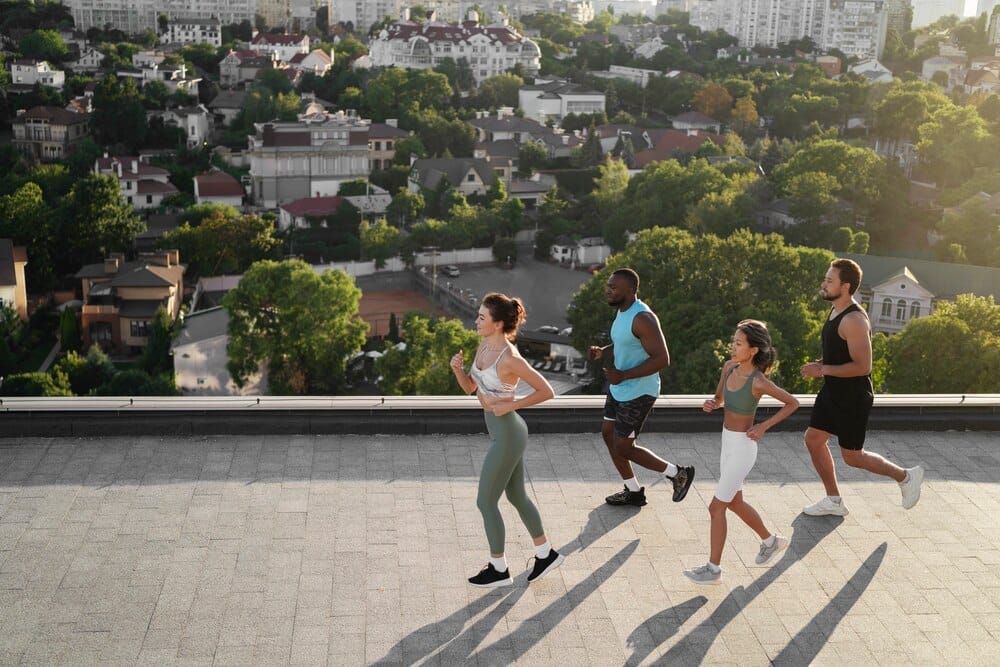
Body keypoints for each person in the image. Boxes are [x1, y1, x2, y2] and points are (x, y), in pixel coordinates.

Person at [450, 292, 564, 587]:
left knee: (485, 502)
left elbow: (547, 390)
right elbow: (470, 388)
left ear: (498, 324)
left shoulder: (511, 359)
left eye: (481, 317)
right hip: (502, 432)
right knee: (515, 496)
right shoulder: (485, 345)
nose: (476, 321)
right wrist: (458, 371)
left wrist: (510, 404)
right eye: (478, 316)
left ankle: (498, 569)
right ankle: (545, 553)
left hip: (509, 435)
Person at [800, 258, 924, 516]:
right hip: (833, 390)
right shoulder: (835, 309)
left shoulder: (854, 319)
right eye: (825, 278)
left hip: (853, 397)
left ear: (845, 286)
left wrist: (821, 370)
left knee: (852, 457)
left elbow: (862, 367)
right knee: (813, 439)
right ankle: (834, 501)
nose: (824, 284)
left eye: (829, 281)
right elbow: (841, 353)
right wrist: (822, 364)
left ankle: (906, 477)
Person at [684, 320, 800, 585]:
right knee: (734, 502)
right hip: (727, 442)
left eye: (738, 344)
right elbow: (720, 399)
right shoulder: (729, 367)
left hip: (744, 448)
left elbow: (792, 403)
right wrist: (712, 404)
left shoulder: (758, 382)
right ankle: (771, 541)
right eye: (733, 342)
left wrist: (763, 426)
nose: (733, 347)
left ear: (753, 350)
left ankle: (713, 570)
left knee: (716, 507)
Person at [588, 268, 695, 508]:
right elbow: (625, 341)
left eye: (613, 287)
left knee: (624, 446)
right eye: (609, 285)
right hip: (620, 387)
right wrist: (603, 352)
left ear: (630, 290)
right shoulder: (622, 312)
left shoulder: (643, 318)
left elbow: (662, 359)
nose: (608, 290)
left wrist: (623, 374)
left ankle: (678, 473)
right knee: (608, 433)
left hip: (639, 391)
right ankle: (634, 491)